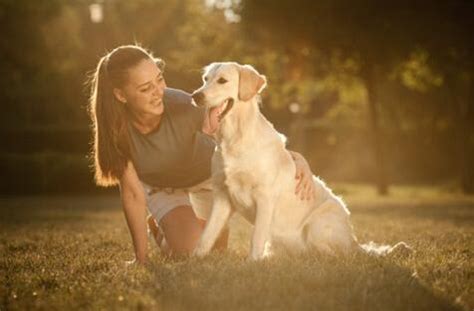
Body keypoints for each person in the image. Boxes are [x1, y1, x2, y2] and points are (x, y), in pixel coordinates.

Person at [87, 45, 316, 264]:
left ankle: (175, 227)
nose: (159, 92)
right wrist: (141, 258)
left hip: (206, 181)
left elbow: (247, 139)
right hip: (163, 188)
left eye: (159, 79)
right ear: (121, 95)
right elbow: (132, 193)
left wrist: (296, 159)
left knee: (212, 248)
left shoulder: (184, 105)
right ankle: (169, 225)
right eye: (146, 88)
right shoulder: (117, 131)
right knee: (188, 250)